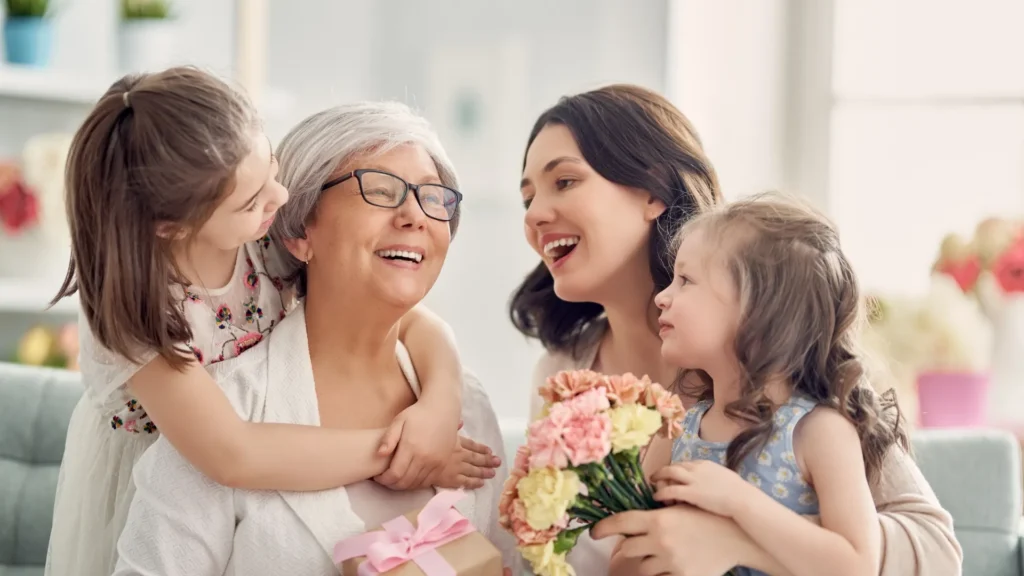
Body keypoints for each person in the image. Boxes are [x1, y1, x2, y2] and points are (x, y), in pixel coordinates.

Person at [46, 68, 491, 576]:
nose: (279, 201)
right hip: (170, 459)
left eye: (272, 171)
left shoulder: (258, 241)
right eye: (252, 200)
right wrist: (400, 450)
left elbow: (413, 319)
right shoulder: (133, 311)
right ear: (172, 226)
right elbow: (233, 454)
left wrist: (439, 403)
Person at [512, 84, 962, 575]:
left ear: (652, 192)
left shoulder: (785, 374)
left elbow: (938, 556)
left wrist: (736, 538)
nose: (534, 215)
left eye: (565, 182)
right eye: (528, 196)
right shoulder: (560, 376)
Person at [645, 193, 904, 576]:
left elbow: (857, 565)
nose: (662, 297)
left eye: (686, 280)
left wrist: (737, 501)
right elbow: (634, 548)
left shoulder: (819, 432)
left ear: (760, 312)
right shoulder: (676, 427)